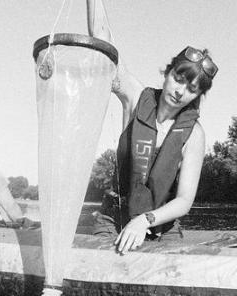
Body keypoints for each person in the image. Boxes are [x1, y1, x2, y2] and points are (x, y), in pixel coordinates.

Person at [87, 0, 217, 254]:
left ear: (197, 95)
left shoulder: (194, 134)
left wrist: (144, 220)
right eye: (178, 79)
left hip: (161, 226)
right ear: (167, 73)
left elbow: (184, 201)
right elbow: (103, 41)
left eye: (191, 89)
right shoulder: (135, 98)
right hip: (114, 218)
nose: (180, 92)